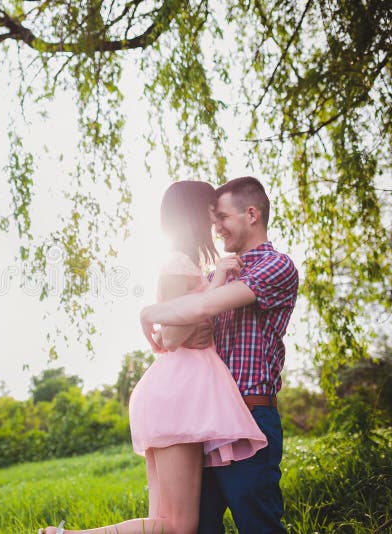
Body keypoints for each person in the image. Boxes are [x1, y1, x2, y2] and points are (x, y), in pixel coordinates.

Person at [38, 179, 270, 534]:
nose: (215, 220)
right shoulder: (178, 261)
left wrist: (194, 311)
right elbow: (173, 336)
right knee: (179, 526)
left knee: (167, 522)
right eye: (211, 210)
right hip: (177, 393)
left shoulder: (187, 261)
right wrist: (216, 283)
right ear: (195, 210)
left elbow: (172, 328)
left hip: (180, 391)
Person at [140, 176, 299, 533]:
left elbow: (202, 307)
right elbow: (177, 337)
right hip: (205, 419)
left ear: (252, 214)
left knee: (258, 523)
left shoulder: (275, 267)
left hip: (250, 413)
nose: (216, 227)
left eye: (223, 217)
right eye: (213, 220)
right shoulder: (216, 273)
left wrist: (149, 312)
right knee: (197, 527)